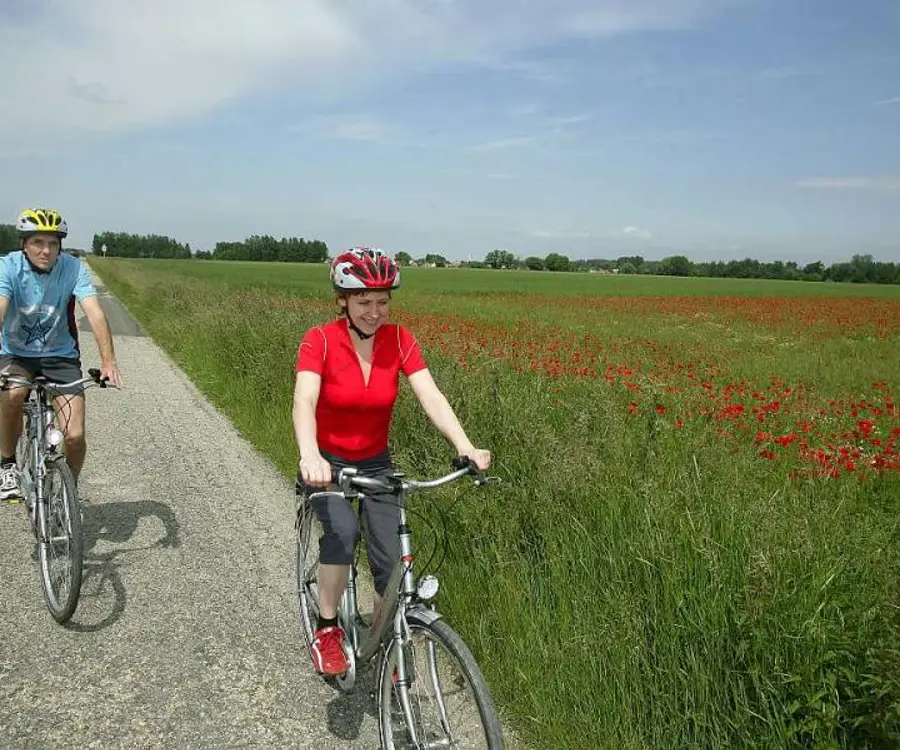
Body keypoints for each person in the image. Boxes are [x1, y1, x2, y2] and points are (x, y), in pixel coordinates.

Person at [293, 246, 490, 677]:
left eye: (382, 301)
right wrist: (310, 454)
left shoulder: (400, 340)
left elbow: (430, 395)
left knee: (392, 561)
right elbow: (304, 400)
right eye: (363, 301)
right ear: (342, 300)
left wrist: (466, 445)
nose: (374, 312)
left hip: (376, 463)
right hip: (328, 463)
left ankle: (389, 641)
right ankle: (327, 628)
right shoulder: (319, 340)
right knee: (342, 533)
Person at [0, 207, 124, 502]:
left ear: (60, 246)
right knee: (13, 395)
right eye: (37, 242)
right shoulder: (8, 267)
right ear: (24, 244)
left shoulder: (72, 268)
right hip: (16, 354)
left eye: (53, 243)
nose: (46, 251)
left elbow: (95, 314)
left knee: (74, 435)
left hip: (60, 356)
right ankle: (7, 463)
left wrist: (108, 361)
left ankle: (67, 494)